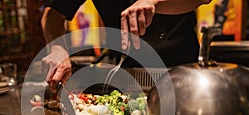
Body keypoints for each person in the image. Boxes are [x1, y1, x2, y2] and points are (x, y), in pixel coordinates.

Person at [41, 0, 212, 92]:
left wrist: (153, 2)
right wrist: (58, 48)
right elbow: (53, 14)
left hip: (182, 75)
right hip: (126, 78)